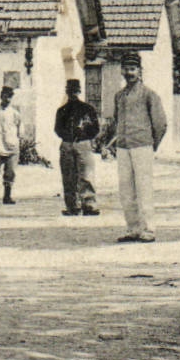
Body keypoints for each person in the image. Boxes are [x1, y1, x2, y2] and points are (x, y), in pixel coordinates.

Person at [97, 51, 167, 242]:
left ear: (140, 71)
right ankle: (133, 229)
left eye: (133, 69)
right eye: (126, 69)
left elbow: (160, 124)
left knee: (144, 188)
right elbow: (116, 122)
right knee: (126, 190)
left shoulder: (149, 95)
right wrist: (110, 144)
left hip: (142, 146)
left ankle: (148, 229)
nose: (129, 73)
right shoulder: (119, 96)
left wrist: (152, 144)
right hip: (123, 147)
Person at [54, 77, 101, 216]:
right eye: (70, 91)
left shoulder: (88, 109)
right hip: (67, 144)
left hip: (83, 144)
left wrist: (83, 136)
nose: (73, 94)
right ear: (67, 92)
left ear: (80, 91)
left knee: (86, 175)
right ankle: (72, 206)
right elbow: (57, 128)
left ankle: (89, 205)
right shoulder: (62, 110)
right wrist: (68, 137)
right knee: (68, 176)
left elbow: (95, 128)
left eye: (75, 91)